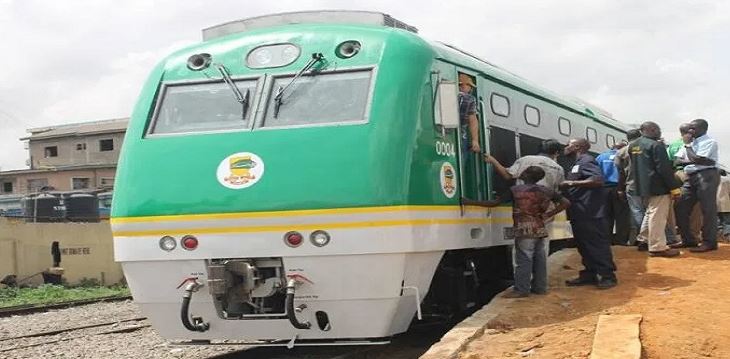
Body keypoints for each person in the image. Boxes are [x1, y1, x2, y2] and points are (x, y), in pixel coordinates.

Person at [503, 166, 570, 298]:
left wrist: (472, 202)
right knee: (540, 259)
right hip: (540, 227)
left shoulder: (515, 190)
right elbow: (566, 202)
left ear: (527, 175)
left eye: (525, 170)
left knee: (524, 259)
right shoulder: (546, 190)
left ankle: (521, 289)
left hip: (524, 229)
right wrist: (549, 213)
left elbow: (495, 202)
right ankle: (540, 287)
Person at [561, 138, 617, 289]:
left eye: (569, 145)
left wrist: (571, 183)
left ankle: (607, 276)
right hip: (579, 212)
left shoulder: (587, 161)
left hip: (590, 212)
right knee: (583, 245)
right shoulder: (576, 163)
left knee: (596, 244)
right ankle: (589, 274)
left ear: (577, 147)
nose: (565, 147)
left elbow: (598, 180)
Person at [628, 122, 682, 257]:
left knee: (650, 213)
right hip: (658, 186)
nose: (660, 133)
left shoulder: (633, 145)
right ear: (652, 130)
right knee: (657, 215)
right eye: (658, 130)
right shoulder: (656, 145)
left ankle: (644, 239)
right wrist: (674, 188)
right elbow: (664, 169)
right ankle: (657, 247)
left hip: (641, 185)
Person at [674, 119, 720, 252]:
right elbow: (677, 160)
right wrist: (701, 160)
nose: (690, 131)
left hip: (707, 176)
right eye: (689, 128)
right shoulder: (691, 143)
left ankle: (709, 242)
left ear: (703, 129)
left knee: (707, 209)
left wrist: (689, 151)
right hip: (691, 177)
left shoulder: (709, 142)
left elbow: (696, 159)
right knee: (680, 206)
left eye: (693, 128)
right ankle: (688, 240)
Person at [484, 139, 565, 192]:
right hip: (546, 207)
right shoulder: (559, 168)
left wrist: (492, 160)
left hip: (525, 204)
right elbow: (560, 187)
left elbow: (507, 175)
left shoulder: (526, 160)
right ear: (557, 153)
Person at [669, 123, 702, 246]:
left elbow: (670, 161)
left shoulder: (673, 144)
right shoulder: (696, 143)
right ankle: (695, 235)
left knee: (677, 205)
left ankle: (678, 236)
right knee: (696, 206)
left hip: (676, 173)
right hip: (691, 173)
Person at [596, 142, 631, 245]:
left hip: (603, 189)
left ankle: (607, 240)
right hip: (619, 188)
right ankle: (621, 240)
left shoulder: (601, 157)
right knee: (622, 216)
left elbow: (596, 173)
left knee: (606, 215)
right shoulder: (624, 156)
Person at [615, 129, 645, 247]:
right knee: (650, 212)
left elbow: (621, 173)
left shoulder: (621, 152)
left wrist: (620, 189)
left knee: (636, 212)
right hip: (649, 186)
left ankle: (642, 238)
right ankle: (648, 236)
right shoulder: (647, 147)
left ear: (627, 138)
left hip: (631, 185)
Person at [458, 73, 481, 155]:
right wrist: (475, 140)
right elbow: (473, 119)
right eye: (470, 86)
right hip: (460, 137)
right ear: (464, 86)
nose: (471, 89)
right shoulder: (469, 98)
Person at [717, 170, 730, 242]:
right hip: (726, 203)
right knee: (727, 222)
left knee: (717, 221)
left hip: (715, 203)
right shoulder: (728, 180)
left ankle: (718, 236)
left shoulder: (713, 180)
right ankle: (727, 236)